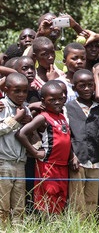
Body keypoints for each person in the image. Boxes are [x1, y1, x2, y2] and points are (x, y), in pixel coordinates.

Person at [16, 80, 71, 214]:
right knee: (47, 197)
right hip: (48, 164)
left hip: (63, 165)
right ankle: (46, 225)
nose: (57, 102)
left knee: (61, 197)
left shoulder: (62, 116)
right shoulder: (43, 117)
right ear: (43, 101)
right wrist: (34, 152)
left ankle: (56, 225)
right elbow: (21, 134)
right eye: (52, 100)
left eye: (60, 99)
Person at [64, 69, 99, 217]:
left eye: (90, 85)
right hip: (77, 160)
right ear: (74, 88)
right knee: (77, 201)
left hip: (95, 162)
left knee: (92, 201)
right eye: (82, 85)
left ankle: (89, 227)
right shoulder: (67, 108)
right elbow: (67, 136)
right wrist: (72, 156)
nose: (87, 89)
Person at [0, 73, 31, 222]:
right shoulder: (1, 106)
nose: (21, 95)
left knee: (19, 206)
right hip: (3, 162)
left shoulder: (25, 108)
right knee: (2, 206)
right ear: (6, 90)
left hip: (20, 162)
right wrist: (16, 119)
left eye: (25, 91)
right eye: (16, 91)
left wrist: (29, 122)